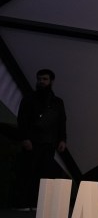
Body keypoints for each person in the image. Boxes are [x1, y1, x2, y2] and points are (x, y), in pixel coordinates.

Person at [16, 68, 67, 209]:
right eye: (39, 79)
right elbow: (22, 120)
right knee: (28, 172)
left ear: (51, 81)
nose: (41, 82)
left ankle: (37, 204)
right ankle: (23, 203)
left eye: (45, 79)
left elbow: (61, 121)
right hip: (32, 141)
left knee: (44, 174)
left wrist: (62, 139)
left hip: (49, 143)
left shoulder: (57, 102)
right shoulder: (29, 99)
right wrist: (25, 138)